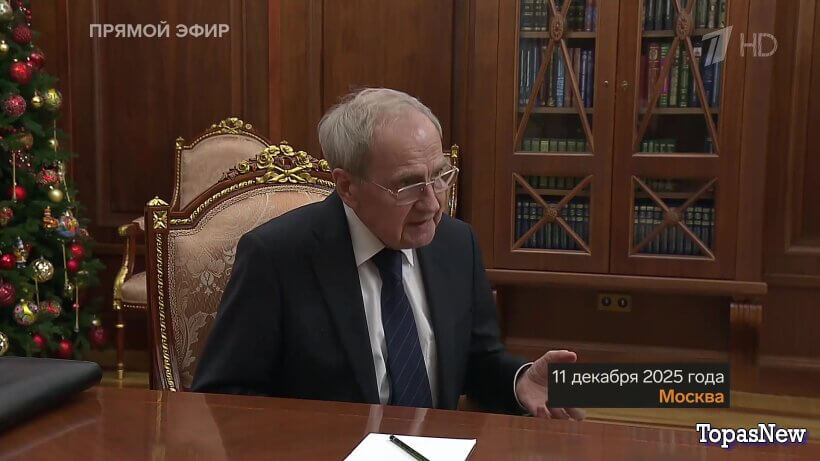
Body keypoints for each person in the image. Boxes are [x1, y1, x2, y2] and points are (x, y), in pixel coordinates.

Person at [192, 88, 584, 419]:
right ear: (347, 187)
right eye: (408, 185)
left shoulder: (455, 244)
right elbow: (224, 396)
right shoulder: (277, 257)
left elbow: (478, 361)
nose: (433, 204)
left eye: (440, 176)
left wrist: (521, 380)